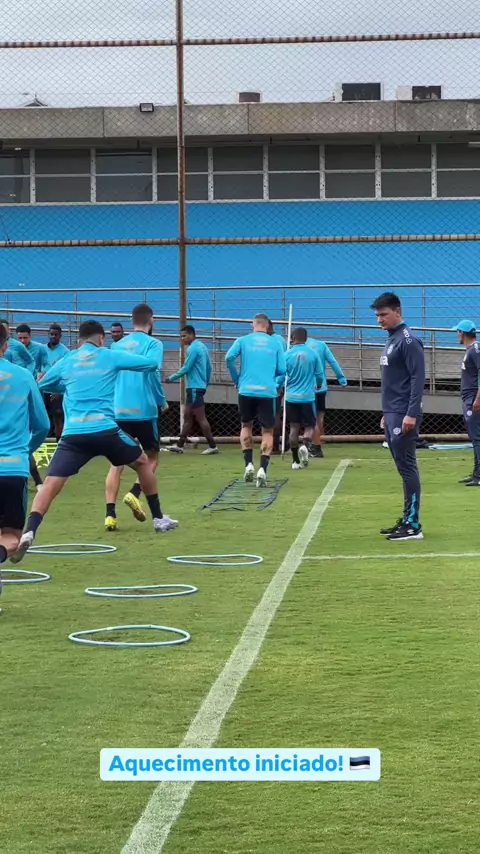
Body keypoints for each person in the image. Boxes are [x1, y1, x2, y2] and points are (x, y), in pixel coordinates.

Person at [10, 320, 178, 564]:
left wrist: (67, 385)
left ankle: (30, 531)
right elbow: (150, 364)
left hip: (73, 434)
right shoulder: (109, 355)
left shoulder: (67, 360)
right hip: (105, 429)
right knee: (143, 462)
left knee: (50, 484)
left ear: (79, 339)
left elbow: (43, 384)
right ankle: (159, 518)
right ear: (100, 338)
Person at [105, 304, 167, 531]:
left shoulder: (116, 346)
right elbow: (153, 373)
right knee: (152, 457)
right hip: (144, 409)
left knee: (116, 463)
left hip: (119, 409)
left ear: (131, 321)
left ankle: (110, 515)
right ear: (152, 320)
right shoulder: (154, 344)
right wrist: (161, 400)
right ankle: (135, 492)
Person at [372, 292, 425, 541]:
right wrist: (387, 413)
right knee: (403, 468)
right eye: (377, 315)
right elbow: (394, 381)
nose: (379, 320)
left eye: (383, 314)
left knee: (407, 467)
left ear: (398, 311)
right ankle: (406, 518)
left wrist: (410, 413)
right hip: (393, 412)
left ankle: (413, 524)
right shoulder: (392, 339)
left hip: (404, 413)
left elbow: (417, 379)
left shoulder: (408, 340)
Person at [0, 323, 50, 576]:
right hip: (12, 467)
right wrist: (24, 450)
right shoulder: (22, 376)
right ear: (6, 346)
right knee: (11, 537)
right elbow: (42, 425)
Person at [226, 313, 286, 487]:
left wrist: (237, 379)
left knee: (246, 426)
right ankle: (262, 470)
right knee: (267, 431)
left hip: (246, 390)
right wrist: (275, 382)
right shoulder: (276, 343)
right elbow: (282, 370)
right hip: (267, 392)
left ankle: (248, 465)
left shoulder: (242, 340)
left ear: (253, 325)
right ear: (267, 326)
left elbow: (229, 358)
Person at [166, 325, 218, 456]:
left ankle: (212, 446)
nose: (182, 338)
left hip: (194, 387)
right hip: (198, 387)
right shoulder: (203, 347)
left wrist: (171, 378)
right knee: (187, 416)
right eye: (181, 336)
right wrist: (205, 383)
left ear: (192, 335)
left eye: (184, 336)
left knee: (200, 418)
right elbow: (209, 368)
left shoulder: (192, 348)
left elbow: (186, 367)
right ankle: (179, 445)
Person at [281, 327, 324, 470]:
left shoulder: (287, 354)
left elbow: (281, 374)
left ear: (293, 338)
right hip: (307, 397)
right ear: (306, 338)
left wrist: (279, 386)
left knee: (294, 427)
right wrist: (318, 385)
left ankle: (295, 461)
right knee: (310, 426)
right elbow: (319, 374)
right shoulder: (313, 354)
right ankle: (305, 445)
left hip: (291, 397)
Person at [306, 334, 347, 458]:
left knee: (310, 420)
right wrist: (341, 378)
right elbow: (332, 361)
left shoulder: (299, 347)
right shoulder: (322, 345)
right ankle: (317, 442)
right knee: (319, 417)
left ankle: (315, 446)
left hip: (307, 388)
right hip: (321, 387)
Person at [452, 319, 480, 486]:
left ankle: (479, 475)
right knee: (475, 437)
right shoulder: (471, 350)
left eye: (457, 332)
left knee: (477, 437)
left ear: (462, 333)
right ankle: (476, 473)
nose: (457, 335)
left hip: (473, 399)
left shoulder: (475, 350)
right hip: (469, 398)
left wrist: (477, 399)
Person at [45, 323, 69, 440]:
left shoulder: (65, 352)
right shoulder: (42, 350)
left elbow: (66, 373)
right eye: (51, 334)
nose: (53, 336)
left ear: (60, 336)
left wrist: (59, 391)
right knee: (41, 417)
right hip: (43, 389)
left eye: (56, 334)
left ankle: (59, 443)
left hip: (56, 390)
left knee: (58, 417)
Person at [267, 320, 288, 454]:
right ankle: (284, 442)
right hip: (276, 382)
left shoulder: (274, 341)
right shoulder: (280, 340)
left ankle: (275, 445)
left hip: (274, 383)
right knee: (275, 414)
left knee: (273, 414)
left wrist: (278, 384)